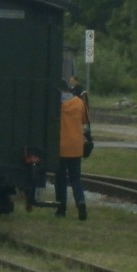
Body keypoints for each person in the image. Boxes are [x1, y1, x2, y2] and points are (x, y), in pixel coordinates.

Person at [56, 81, 91, 220]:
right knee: (75, 178)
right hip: (77, 146)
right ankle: (81, 202)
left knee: (60, 179)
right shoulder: (79, 103)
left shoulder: (57, 105)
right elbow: (84, 121)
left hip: (60, 146)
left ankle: (61, 209)